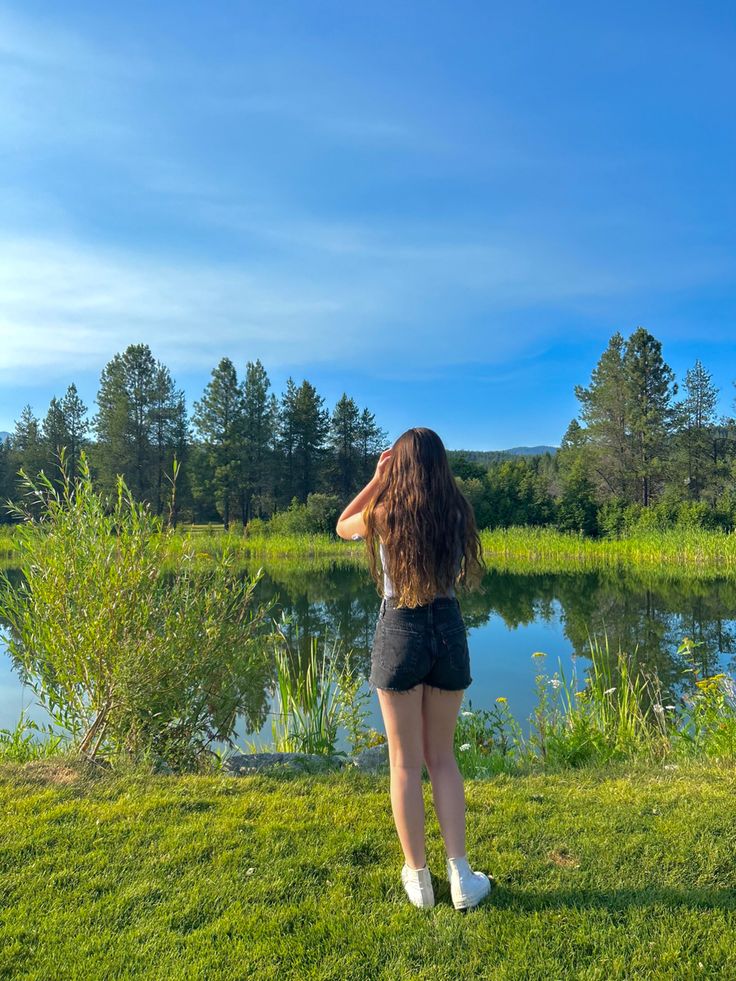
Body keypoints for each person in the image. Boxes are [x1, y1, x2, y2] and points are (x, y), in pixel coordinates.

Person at [336, 427, 494, 911]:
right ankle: (462, 877)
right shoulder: (456, 512)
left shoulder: (383, 514)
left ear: (398, 467)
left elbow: (343, 525)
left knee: (404, 762)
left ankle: (419, 880)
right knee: (442, 759)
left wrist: (376, 479)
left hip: (399, 629)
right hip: (447, 628)